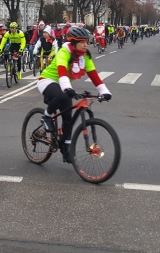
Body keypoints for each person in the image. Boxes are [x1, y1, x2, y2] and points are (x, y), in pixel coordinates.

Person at [36, 26, 112, 163]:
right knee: (62, 96)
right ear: (73, 42)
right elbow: (62, 71)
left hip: (63, 85)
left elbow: (94, 75)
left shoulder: (84, 56)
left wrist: (104, 91)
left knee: (68, 121)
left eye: (86, 41)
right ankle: (46, 117)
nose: (85, 44)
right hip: (48, 81)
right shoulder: (64, 52)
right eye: (82, 42)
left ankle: (66, 148)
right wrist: (67, 88)